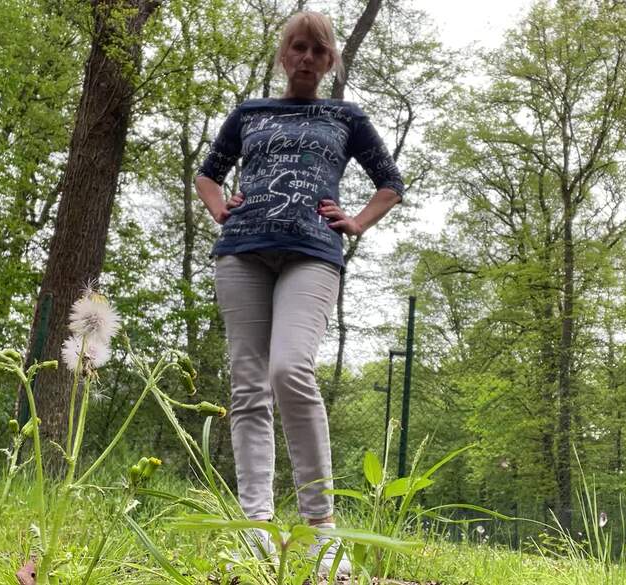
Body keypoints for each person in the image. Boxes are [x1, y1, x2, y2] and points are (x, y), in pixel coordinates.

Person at [195, 10, 404, 574]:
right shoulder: (249, 113)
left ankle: (321, 531)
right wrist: (219, 208)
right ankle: (255, 529)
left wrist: (357, 221)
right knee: (247, 385)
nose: (306, 57)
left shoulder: (345, 117)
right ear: (283, 55)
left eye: (317, 49)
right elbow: (208, 173)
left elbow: (390, 183)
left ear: (330, 59)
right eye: (297, 47)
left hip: (312, 253)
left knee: (290, 370)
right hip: (242, 250)